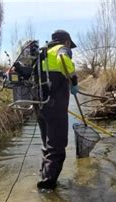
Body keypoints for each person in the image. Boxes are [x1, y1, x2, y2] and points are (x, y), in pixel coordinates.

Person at [36, 30, 78, 190]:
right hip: (55, 107)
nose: (69, 48)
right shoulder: (61, 49)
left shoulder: (42, 53)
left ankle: (44, 175)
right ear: (66, 42)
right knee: (57, 147)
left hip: (40, 106)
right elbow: (63, 59)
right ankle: (46, 187)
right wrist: (73, 81)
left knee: (48, 144)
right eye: (70, 45)